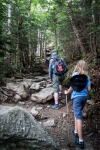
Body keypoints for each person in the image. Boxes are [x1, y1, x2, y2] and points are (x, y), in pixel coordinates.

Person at [64, 60, 91, 149]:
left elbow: (72, 86)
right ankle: (76, 131)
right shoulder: (87, 77)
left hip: (76, 98)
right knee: (77, 113)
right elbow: (89, 89)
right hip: (84, 98)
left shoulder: (75, 75)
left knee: (78, 117)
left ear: (78, 66)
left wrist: (67, 92)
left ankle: (80, 140)